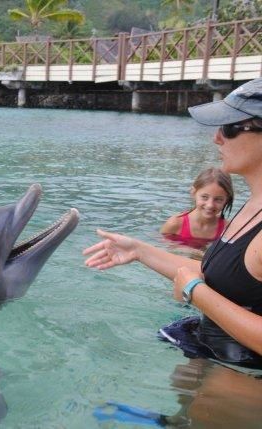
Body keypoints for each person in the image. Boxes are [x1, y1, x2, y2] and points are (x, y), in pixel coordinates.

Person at [83, 77, 262, 368]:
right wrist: (140, 251)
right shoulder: (253, 205)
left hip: (242, 379)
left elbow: (204, 287)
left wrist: (196, 292)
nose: (216, 138)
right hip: (216, 358)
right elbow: (222, 277)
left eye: (229, 128)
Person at [159, 167, 234, 250]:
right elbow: (162, 248)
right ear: (193, 193)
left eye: (218, 199)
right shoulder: (175, 223)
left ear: (227, 200)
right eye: (204, 197)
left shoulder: (227, 229)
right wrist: (192, 252)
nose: (210, 205)